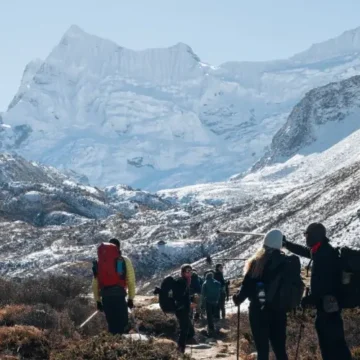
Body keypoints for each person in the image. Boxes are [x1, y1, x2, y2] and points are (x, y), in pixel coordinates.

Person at [283, 223, 352, 360]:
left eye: (307, 234)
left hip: (327, 310)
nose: (305, 237)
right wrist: (287, 244)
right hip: (330, 308)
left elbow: (325, 286)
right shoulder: (322, 251)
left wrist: (308, 300)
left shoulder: (324, 255)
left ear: (314, 236)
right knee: (337, 345)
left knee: (330, 347)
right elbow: (305, 251)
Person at [233, 229, 289, 360]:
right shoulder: (287, 262)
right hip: (280, 311)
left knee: (262, 350)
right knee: (280, 349)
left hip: (259, 311)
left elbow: (246, 286)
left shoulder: (257, 262)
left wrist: (238, 299)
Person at [92, 238, 136, 335]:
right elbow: (131, 280)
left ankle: (112, 346)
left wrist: (98, 301)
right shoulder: (123, 260)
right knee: (123, 325)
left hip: (106, 297)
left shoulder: (100, 263)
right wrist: (131, 299)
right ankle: (122, 347)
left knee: (112, 326)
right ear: (118, 248)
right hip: (119, 296)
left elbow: (95, 283)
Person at [173, 264, 196, 354]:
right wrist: (188, 303)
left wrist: (189, 302)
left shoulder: (186, 281)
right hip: (181, 309)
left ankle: (181, 348)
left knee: (188, 330)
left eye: (191, 271)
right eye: (187, 271)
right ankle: (180, 350)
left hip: (184, 309)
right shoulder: (181, 281)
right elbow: (179, 297)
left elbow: (183, 296)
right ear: (183, 272)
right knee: (185, 330)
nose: (190, 273)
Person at [201, 271, 221, 336]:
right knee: (215, 314)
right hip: (216, 301)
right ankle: (217, 327)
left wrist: (202, 304)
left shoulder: (205, 283)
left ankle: (211, 328)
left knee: (209, 315)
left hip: (208, 301)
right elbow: (219, 291)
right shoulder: (217, 283)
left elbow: (203, 294)